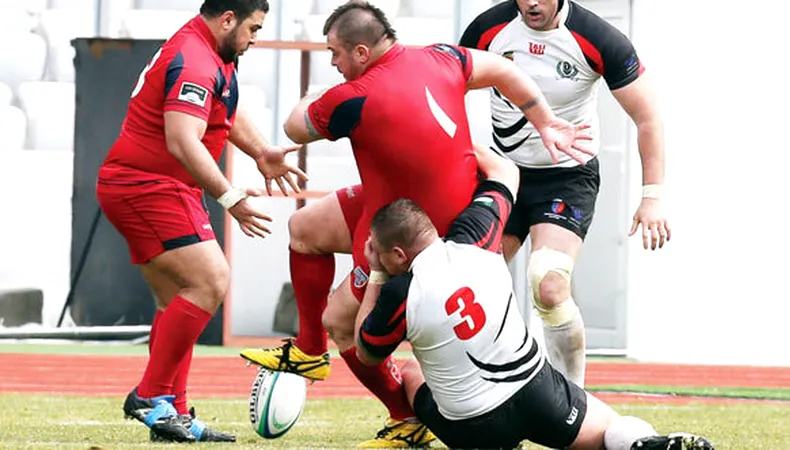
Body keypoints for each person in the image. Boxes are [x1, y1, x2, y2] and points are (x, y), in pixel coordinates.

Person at [239, 1, 593, 446]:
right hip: (406, 207)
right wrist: (545, 122)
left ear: (362, 52)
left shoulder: (353, 96)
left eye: (336, 53)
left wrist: (320, 97)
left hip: (417, 233)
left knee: (343, 323)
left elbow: (295, 127)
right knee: (305, 228)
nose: (333, 62)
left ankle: (405, 419)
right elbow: (507, 72)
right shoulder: (443, 56)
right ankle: (310, 352)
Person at [353, 176, 713, 450]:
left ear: (399, 255)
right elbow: (504, 171)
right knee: (608, 430)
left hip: (471, 427)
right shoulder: (477, 236)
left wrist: (378, 274)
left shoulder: (400, 292)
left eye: (381, 253)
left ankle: (414, 426)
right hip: (537, 394)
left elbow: (366, 352)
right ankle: (642, 444)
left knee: (414, 370)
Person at [95, 0, 305, 443]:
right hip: (146, 185)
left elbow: (223, 109)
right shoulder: (194, 57)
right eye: (253, 28)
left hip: (159, 186)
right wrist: (230, 197)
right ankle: (151, 397)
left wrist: (261, 151)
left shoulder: (214, 54)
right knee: (210, 280)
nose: (255, 38)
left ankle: (174, 412)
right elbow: (181, 139)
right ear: (227, 19)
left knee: (178, 298)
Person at [458, 0, 672, 388]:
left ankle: (573, 400)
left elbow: (648, 116)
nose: (532, 3)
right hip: (504, 175)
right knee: (471, 280)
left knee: (548, 283)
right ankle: (484, 390)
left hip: (567, 177)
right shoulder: (488, 29)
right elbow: (449, 91)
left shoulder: (599, 38)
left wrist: (652, 195)